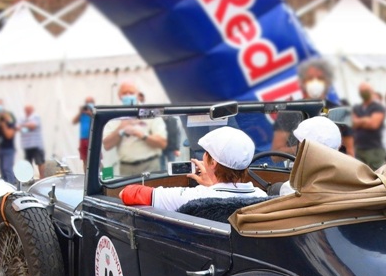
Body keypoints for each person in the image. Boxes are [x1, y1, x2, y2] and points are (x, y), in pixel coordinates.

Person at [120, 127, 266, 212]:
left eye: (206, 152)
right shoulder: (263, 198)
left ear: (213, 162)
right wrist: (213, 186)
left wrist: (210, 187)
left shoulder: (192, 197)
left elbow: (127, 194)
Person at [272, 59, 353, 156]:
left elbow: (350, 153)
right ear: (303, 81)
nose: (315, 82)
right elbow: (275, 155)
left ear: (327, 82)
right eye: (310, 78)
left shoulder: (339, 112)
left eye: (320, 78)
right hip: (296, 169)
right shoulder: (289, 110)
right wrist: (306, 149)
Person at [100, 81, 167, 177]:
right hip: (126, 168)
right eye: (124, 93)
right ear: (119, 96)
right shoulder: (114, 116)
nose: (128, 96)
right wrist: (121, 128)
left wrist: (142, 135)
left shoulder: (151, 112)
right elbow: (106, 145)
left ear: (138, 95)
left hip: (150, 166)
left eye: (131, 93)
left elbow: (162, 143)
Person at [278, 116, 342, 196]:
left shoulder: (292, 189)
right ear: (338, 147)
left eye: (300, 146)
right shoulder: (351, 183)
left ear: (305, 150)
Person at [352, 82, 386, 170]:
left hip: (374, 149)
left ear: (372, 91)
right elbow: (353, 123)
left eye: (365, 90)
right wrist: (365, 120)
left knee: (377, 174)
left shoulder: (378, 107)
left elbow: (374, 124)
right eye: (362, 91)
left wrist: (359, 121)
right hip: (359, 148)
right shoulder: (357, 107)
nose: (364, 93)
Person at [0, 99, 17, 184]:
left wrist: (4, 125)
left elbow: (9, 135)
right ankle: (5, 184)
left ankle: (11, 185)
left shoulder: (10, 122)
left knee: (7, 168)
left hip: (9, 148)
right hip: (0, 147)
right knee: (2, 169)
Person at [21, 104, 45, 178]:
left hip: (36, 144)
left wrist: (23, 125)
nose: (27, 111)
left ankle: (42, 177)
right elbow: (19, 128)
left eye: (29, 110)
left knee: (39, 162)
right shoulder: (23, 118)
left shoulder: (35, 117)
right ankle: (30, 178)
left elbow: (33, 126)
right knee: (28, 163)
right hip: (27, 145)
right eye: (26, 110)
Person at [72, 96, 95, 163]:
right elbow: (73, 122)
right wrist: (80, 112)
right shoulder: (82, 113)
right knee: (85, 160)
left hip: (93, 139)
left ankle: (107, 174)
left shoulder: (95, 112)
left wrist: (91, 114)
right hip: (83, 139)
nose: (89, 104)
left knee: (98, 160)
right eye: (87, 102)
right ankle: (87, 174)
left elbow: (98, 120)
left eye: (90, 102)